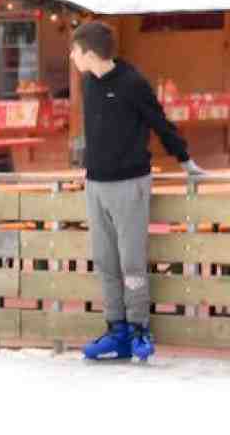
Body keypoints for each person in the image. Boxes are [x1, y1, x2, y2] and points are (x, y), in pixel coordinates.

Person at [70, 20, 206, 362]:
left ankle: (138, 328)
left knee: (131, 262)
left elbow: (159, 121)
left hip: (130, 183)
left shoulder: (132, 83)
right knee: (105, 261)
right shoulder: (88, 83)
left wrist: (185, 159)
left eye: (74, 50)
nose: (71, 56)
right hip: (96, 183)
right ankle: (116, 329)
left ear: (88, 52)